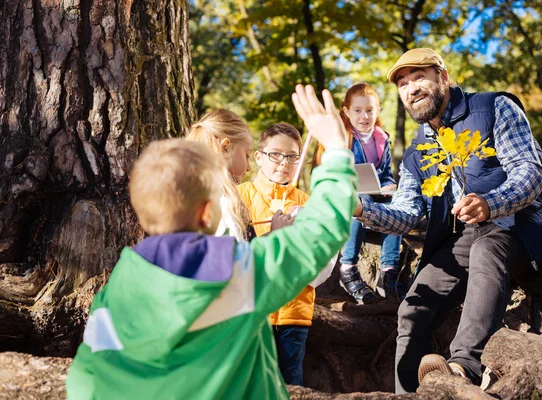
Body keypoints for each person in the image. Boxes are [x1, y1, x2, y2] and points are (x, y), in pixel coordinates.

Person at [66, 84, 358, 399]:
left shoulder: (115, 290)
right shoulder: (237, 273)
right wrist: (337, 153)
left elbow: (87, 379)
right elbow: (320, 232)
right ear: (207, 213)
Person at [353, 48, 542, 393]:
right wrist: (361, 210)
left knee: (488, 246)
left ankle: (461, 370)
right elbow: (407, 215)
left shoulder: (493, 108)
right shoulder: (417, 152)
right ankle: (407, 392)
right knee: (411, 311)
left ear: (443, 77)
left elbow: (529, 172)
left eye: (419, 78)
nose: (411, 89)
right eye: (402, 84)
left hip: (519, 226)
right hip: (464, 237)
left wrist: (491, 203)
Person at [238, 123, 315, 386]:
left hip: (294, 311)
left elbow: (321, 257)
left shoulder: (307, 203)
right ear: (258, 157)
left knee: (290, 381)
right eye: (275, 155)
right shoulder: (241, 196)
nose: (284, 162)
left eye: (292, 156)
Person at [315, 83, 404, 304]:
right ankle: (348, 267)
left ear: (378, 111)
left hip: (375, 197)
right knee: (359, 199)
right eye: (357, 110)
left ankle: (389, 271)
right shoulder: (342, 139)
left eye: (370, 110)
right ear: (346, 111)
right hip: (346, 198)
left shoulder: (382, 138)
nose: (364, 116)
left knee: (397, 203)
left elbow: (385, 175)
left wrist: (389, 186)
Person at [185, 109, 255, 242]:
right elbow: (233, 258)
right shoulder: (222, 202)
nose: (248, 168)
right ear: (226, 147)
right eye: (247, 155)